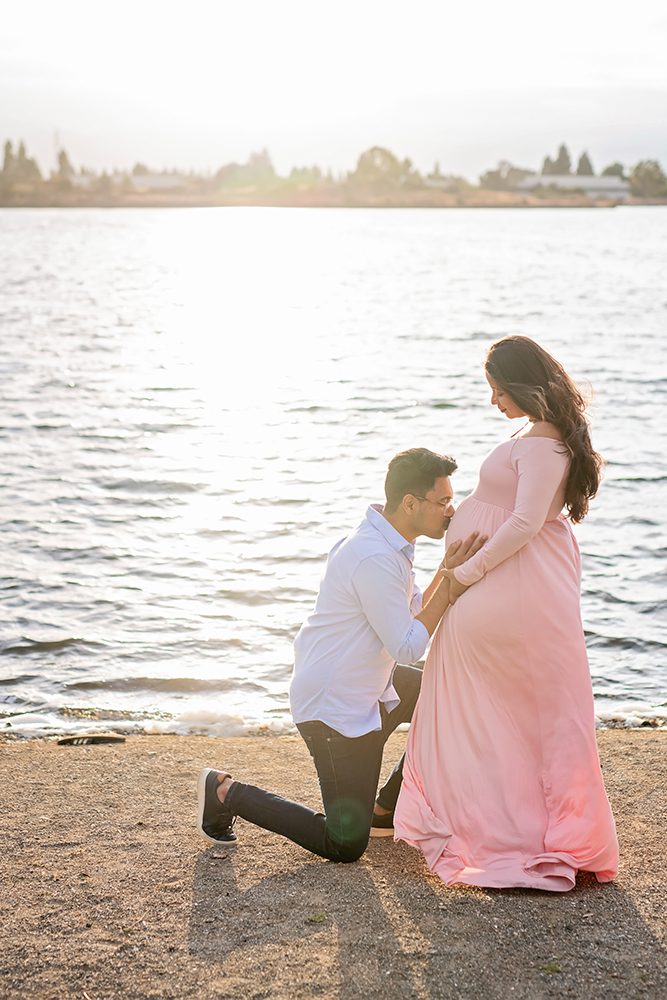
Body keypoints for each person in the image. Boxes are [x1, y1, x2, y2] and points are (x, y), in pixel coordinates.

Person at [394, 336, 619, 892]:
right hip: (507, 585)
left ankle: (506, 830)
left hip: (509, 589)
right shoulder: (536, 435)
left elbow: (523, 523)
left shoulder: (543, 444)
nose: (493, 400)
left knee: (496, 707)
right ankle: (491, 817)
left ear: (521, 383)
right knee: (496, 709)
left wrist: (465, 575)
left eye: (497, 388)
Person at [197, 448, 484, 862]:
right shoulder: (373, 556)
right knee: (345, 844)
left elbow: (414, 612)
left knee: (444, 694)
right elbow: (406, 644)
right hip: (335, 710)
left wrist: (444, 570)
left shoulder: (389, 546)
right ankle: (225, 792)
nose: (450, 511)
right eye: (443, 502)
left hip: (368, 686)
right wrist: (453, 582)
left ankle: (384, 809)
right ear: (410, 503)